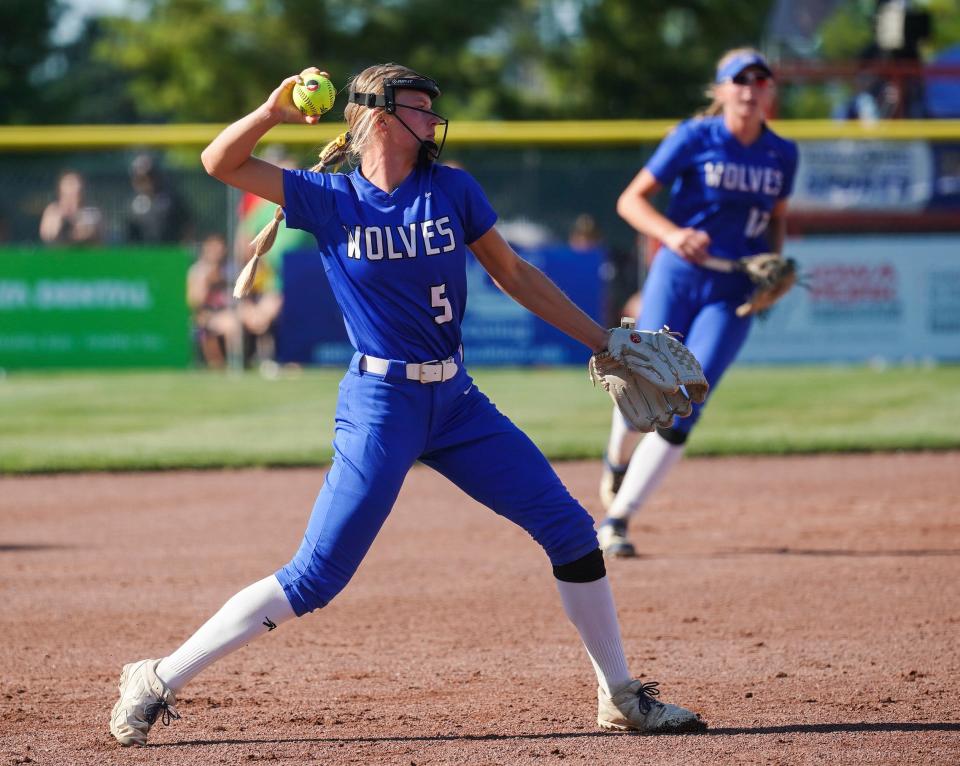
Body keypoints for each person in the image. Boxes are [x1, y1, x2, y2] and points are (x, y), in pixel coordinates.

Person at [108, 63, 707, 746]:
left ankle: (619, 694)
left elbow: (513, 273)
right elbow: (222, 161)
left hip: (456, 401)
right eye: (421, 108)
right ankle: (156, 677)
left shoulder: (451, 188)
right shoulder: (327, 197)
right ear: (382, 117)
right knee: (317, 575)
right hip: (380, 404)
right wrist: (274, 111)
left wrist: (602, 341)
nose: (434, 121)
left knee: (571, 531)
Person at [596, 49, 799, 558]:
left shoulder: (782, 153)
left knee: (689, 395)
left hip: (732, 289)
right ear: (722, 90)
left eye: (761, 79)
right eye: (740, 80)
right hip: (678, 275)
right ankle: (618, 462)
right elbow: (630, 200)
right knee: (644, 386)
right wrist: (672, 233)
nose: (751, 88)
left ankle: (618, 520)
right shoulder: (693, 137)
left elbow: (775, 216)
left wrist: (773, 264)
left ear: (770, 91)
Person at [186, 232, 238, 368]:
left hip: (229, 311)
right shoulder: (197, 271)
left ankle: (235, 364)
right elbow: (194, 301)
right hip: (206, 313)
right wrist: (207, 282)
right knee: (225, 325)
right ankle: (220, 364)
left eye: (219, 248)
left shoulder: (231, 269)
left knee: (234, 322)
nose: (216, 252)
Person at [126, 153, 193, 243]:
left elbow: (187, 223)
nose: (145, 182)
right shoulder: (132, 204)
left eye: (148, 177)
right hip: (141, 254)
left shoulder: (171, 199)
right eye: (139, 178)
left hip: (170, 251)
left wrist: (185, 243)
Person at [38, 170, 103, 245]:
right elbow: (48, 235)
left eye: (74, 185)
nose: (72, 189)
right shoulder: (52, 211)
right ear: (60, 191)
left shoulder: (92, 212)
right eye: (69, 185)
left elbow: (94, 235)